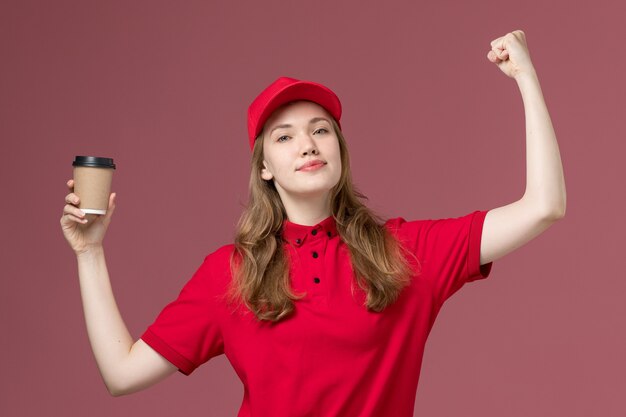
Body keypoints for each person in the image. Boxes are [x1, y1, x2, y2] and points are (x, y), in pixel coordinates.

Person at [60, 30, 566, 416]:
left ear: (339, 152)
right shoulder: (229, 273)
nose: (306, 144)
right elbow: (121, 374)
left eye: (320, 130)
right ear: (264, 167)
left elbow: (544, 205)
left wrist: (526, 76)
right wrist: (89, 252)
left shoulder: (408, 251)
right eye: (284, 137)